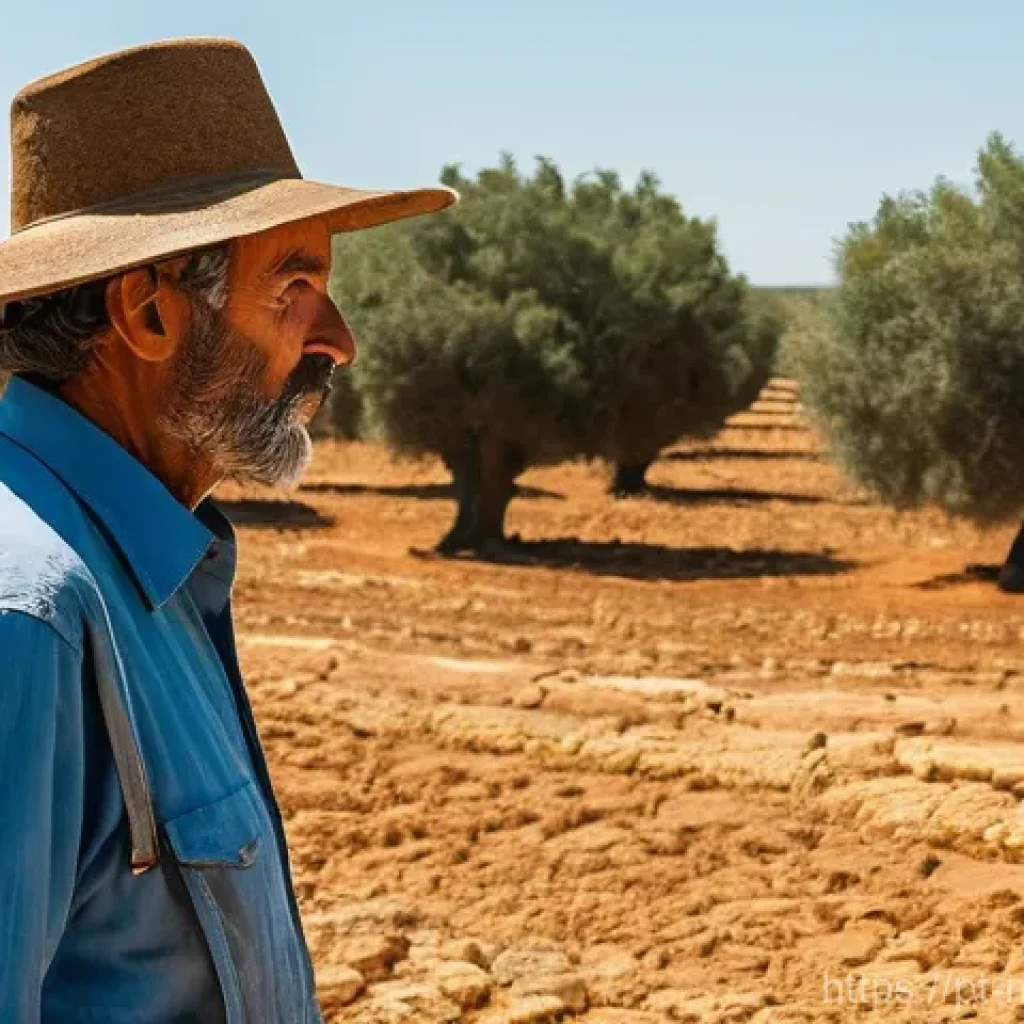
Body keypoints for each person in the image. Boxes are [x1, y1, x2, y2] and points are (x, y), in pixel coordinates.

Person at [0, 37, 456, 1022]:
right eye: (292, 287)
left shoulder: (148, 568)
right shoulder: (27, 613)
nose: (337, 337)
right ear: (148, 312)